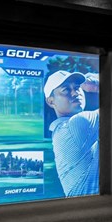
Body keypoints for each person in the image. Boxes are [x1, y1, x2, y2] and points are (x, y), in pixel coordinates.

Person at [43, 69, 99, 197]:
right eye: (66, 90)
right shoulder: (76, 124)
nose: (75, 92)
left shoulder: (61, 129)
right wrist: (97, 84)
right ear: (51, 101)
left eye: (77, 87)